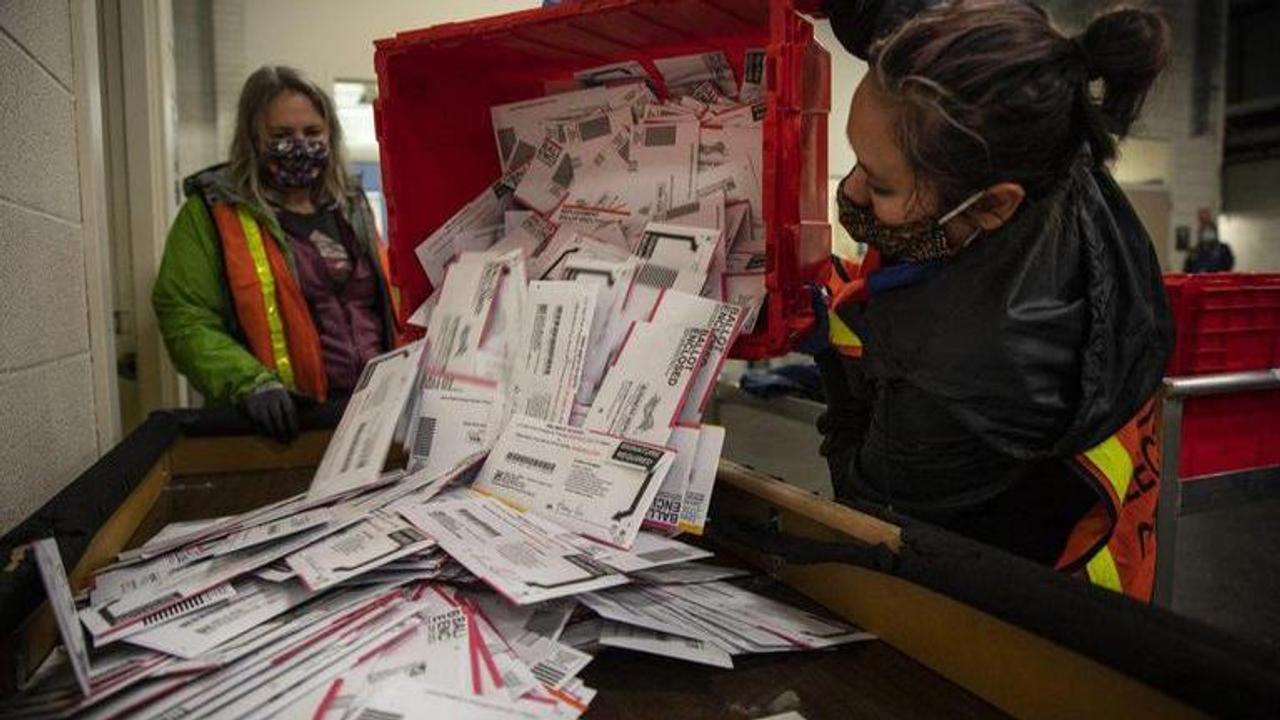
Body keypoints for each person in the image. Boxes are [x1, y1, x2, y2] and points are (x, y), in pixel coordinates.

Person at [814, 0, 1173, 601]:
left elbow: (868, 507)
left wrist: (830, 352)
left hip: (1031, 629)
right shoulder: (1036, 136)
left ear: (992, 205)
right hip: (1120, 564)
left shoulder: (958, 372)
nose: (851, 190)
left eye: (880, 185)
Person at [153, 66, 398, 442]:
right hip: (284, 428)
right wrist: (250, 383)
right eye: (282, 135)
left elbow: (382, 304)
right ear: (254, 138)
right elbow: (186, 316)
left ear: (330, 135)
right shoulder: (212, 213)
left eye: (313, 132)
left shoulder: (350, 207)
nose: (300, 144)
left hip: (372, 418)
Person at [1183, 207, 1234, 273]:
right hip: (1199, 281)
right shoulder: (1194, 251)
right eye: (1205, 232)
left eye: (1210, 232)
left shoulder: (1223, 249)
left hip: (1216, 281)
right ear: (1200, 234)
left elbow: (1228, 266)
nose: (1207, 235)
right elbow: (1187, 270)